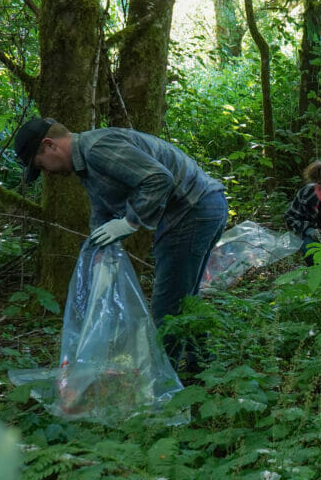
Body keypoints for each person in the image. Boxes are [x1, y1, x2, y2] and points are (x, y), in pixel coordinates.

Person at [14, 118, 228, 372]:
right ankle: (201, 367)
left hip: (191, 210)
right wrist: (98, 252)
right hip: (201, 206)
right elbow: (101, 207)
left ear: (49, 146)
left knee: (167, 305)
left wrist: (129, 222)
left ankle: (160, 387)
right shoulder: (86, 161)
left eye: (41, 166)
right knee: (185, 297)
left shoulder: (97, 150)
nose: (46, 173)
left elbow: (158, 179)